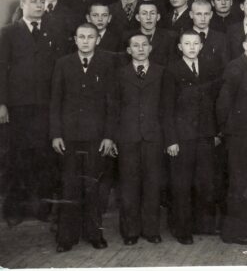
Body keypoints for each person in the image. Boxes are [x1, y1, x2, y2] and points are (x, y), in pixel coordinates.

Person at [0, 0, 70, 227]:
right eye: (33, 1)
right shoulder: (8, 32)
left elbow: (59, 69)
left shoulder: (53, 31)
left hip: (45, 105)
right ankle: (14, 209)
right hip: (18, 106)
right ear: (22, 4)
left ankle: (42, 208)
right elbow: (1, 69)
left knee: (44, 157)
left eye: (42, 1)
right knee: (16, 156)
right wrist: (2, 103)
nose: (39, 5)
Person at [50, 23, 117, 253]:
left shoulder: (107, 64)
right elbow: (55, 101)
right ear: (75, 39)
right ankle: (66, 237)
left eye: (90, 37)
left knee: (93, 186)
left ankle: (94, 234)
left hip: (96, 137)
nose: (86, 41)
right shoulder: (63, 63)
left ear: (97, 40)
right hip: (69, 137)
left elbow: (112, 104)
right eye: (82, 37)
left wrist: (109, 136)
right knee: (69, 186)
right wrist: (56, 134)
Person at [163, 30, 222, 244]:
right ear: (180, 47)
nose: (191, 47)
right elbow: (166, 108)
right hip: (182, 137)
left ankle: (204, 225)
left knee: (205, 182)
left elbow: (216, 103)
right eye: (187, 44)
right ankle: (182, 229)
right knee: (182, 185)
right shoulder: (172, 70)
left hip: (205, 135)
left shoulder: (209, 68)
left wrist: (216, 132)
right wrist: (171, 140)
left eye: (195, 43)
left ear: (201, 46)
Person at [114, 33, 164, 245]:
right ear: (129, 50)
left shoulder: (161, 72)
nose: (141, 49)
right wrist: (114, 137)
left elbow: (166, 107)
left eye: (144, 45)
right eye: (136, 45)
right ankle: (130, 231)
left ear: (150, 48)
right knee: (129, 185)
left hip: (153, 137)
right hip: (128, 137)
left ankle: (151, 230)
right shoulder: (119, 74)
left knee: (152, 184)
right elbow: (114, 108)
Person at [217, 30, 247, 245]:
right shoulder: (236, 67)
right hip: (238, 135)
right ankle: (233, 232)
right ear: (245, 45)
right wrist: (226, 130)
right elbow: (223, 103)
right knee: (239, 183)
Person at [127, 1, 178, 67]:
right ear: (138, 17)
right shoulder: (128, 37)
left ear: (158, 17)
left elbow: (173, 64)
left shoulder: (170, 37)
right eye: (144, 14)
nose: (148, 17)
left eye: (152, 13)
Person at [191, 0, 229, 69]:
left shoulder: (221, 38)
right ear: (191, 15)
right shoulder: (183, 36)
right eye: (198, 14)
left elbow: (225, 66)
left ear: (211, 15)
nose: (203, 18)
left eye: (206, 14)